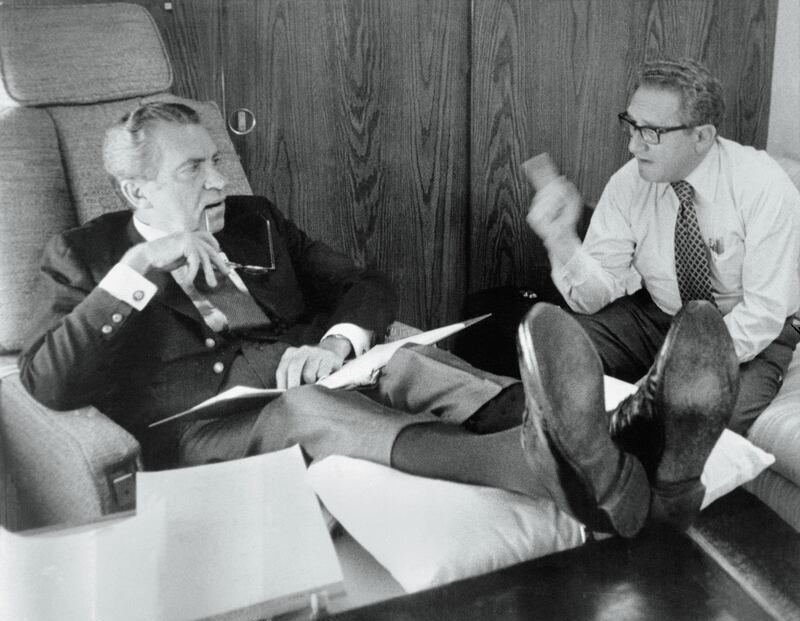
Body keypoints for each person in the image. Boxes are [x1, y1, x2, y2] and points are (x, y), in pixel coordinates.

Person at [20, 101, 736, 538]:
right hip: (207, 428)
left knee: (410, 362)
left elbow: (366, 283)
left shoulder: (253, 219)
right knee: (308, 408)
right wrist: (139, 273)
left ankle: (626, 442)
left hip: (326, 377)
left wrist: (337, 339)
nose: (218, 181)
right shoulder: (87, 257)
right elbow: (44, 380)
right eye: (192, 171)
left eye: (215, 161)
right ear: (133, 187)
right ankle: (553, 471)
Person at [527, 58, 800, 438]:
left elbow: (763, 313)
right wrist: (560, 239)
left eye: (651, 132)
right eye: (631, 125)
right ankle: (578, 476)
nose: (633, 145)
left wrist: (668, 374)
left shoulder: (762, 186)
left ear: (702, 136)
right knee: (556, 358)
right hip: (660, 313)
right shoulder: (629, 183)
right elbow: (592, 300)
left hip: (746, 329)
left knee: (704, 422)